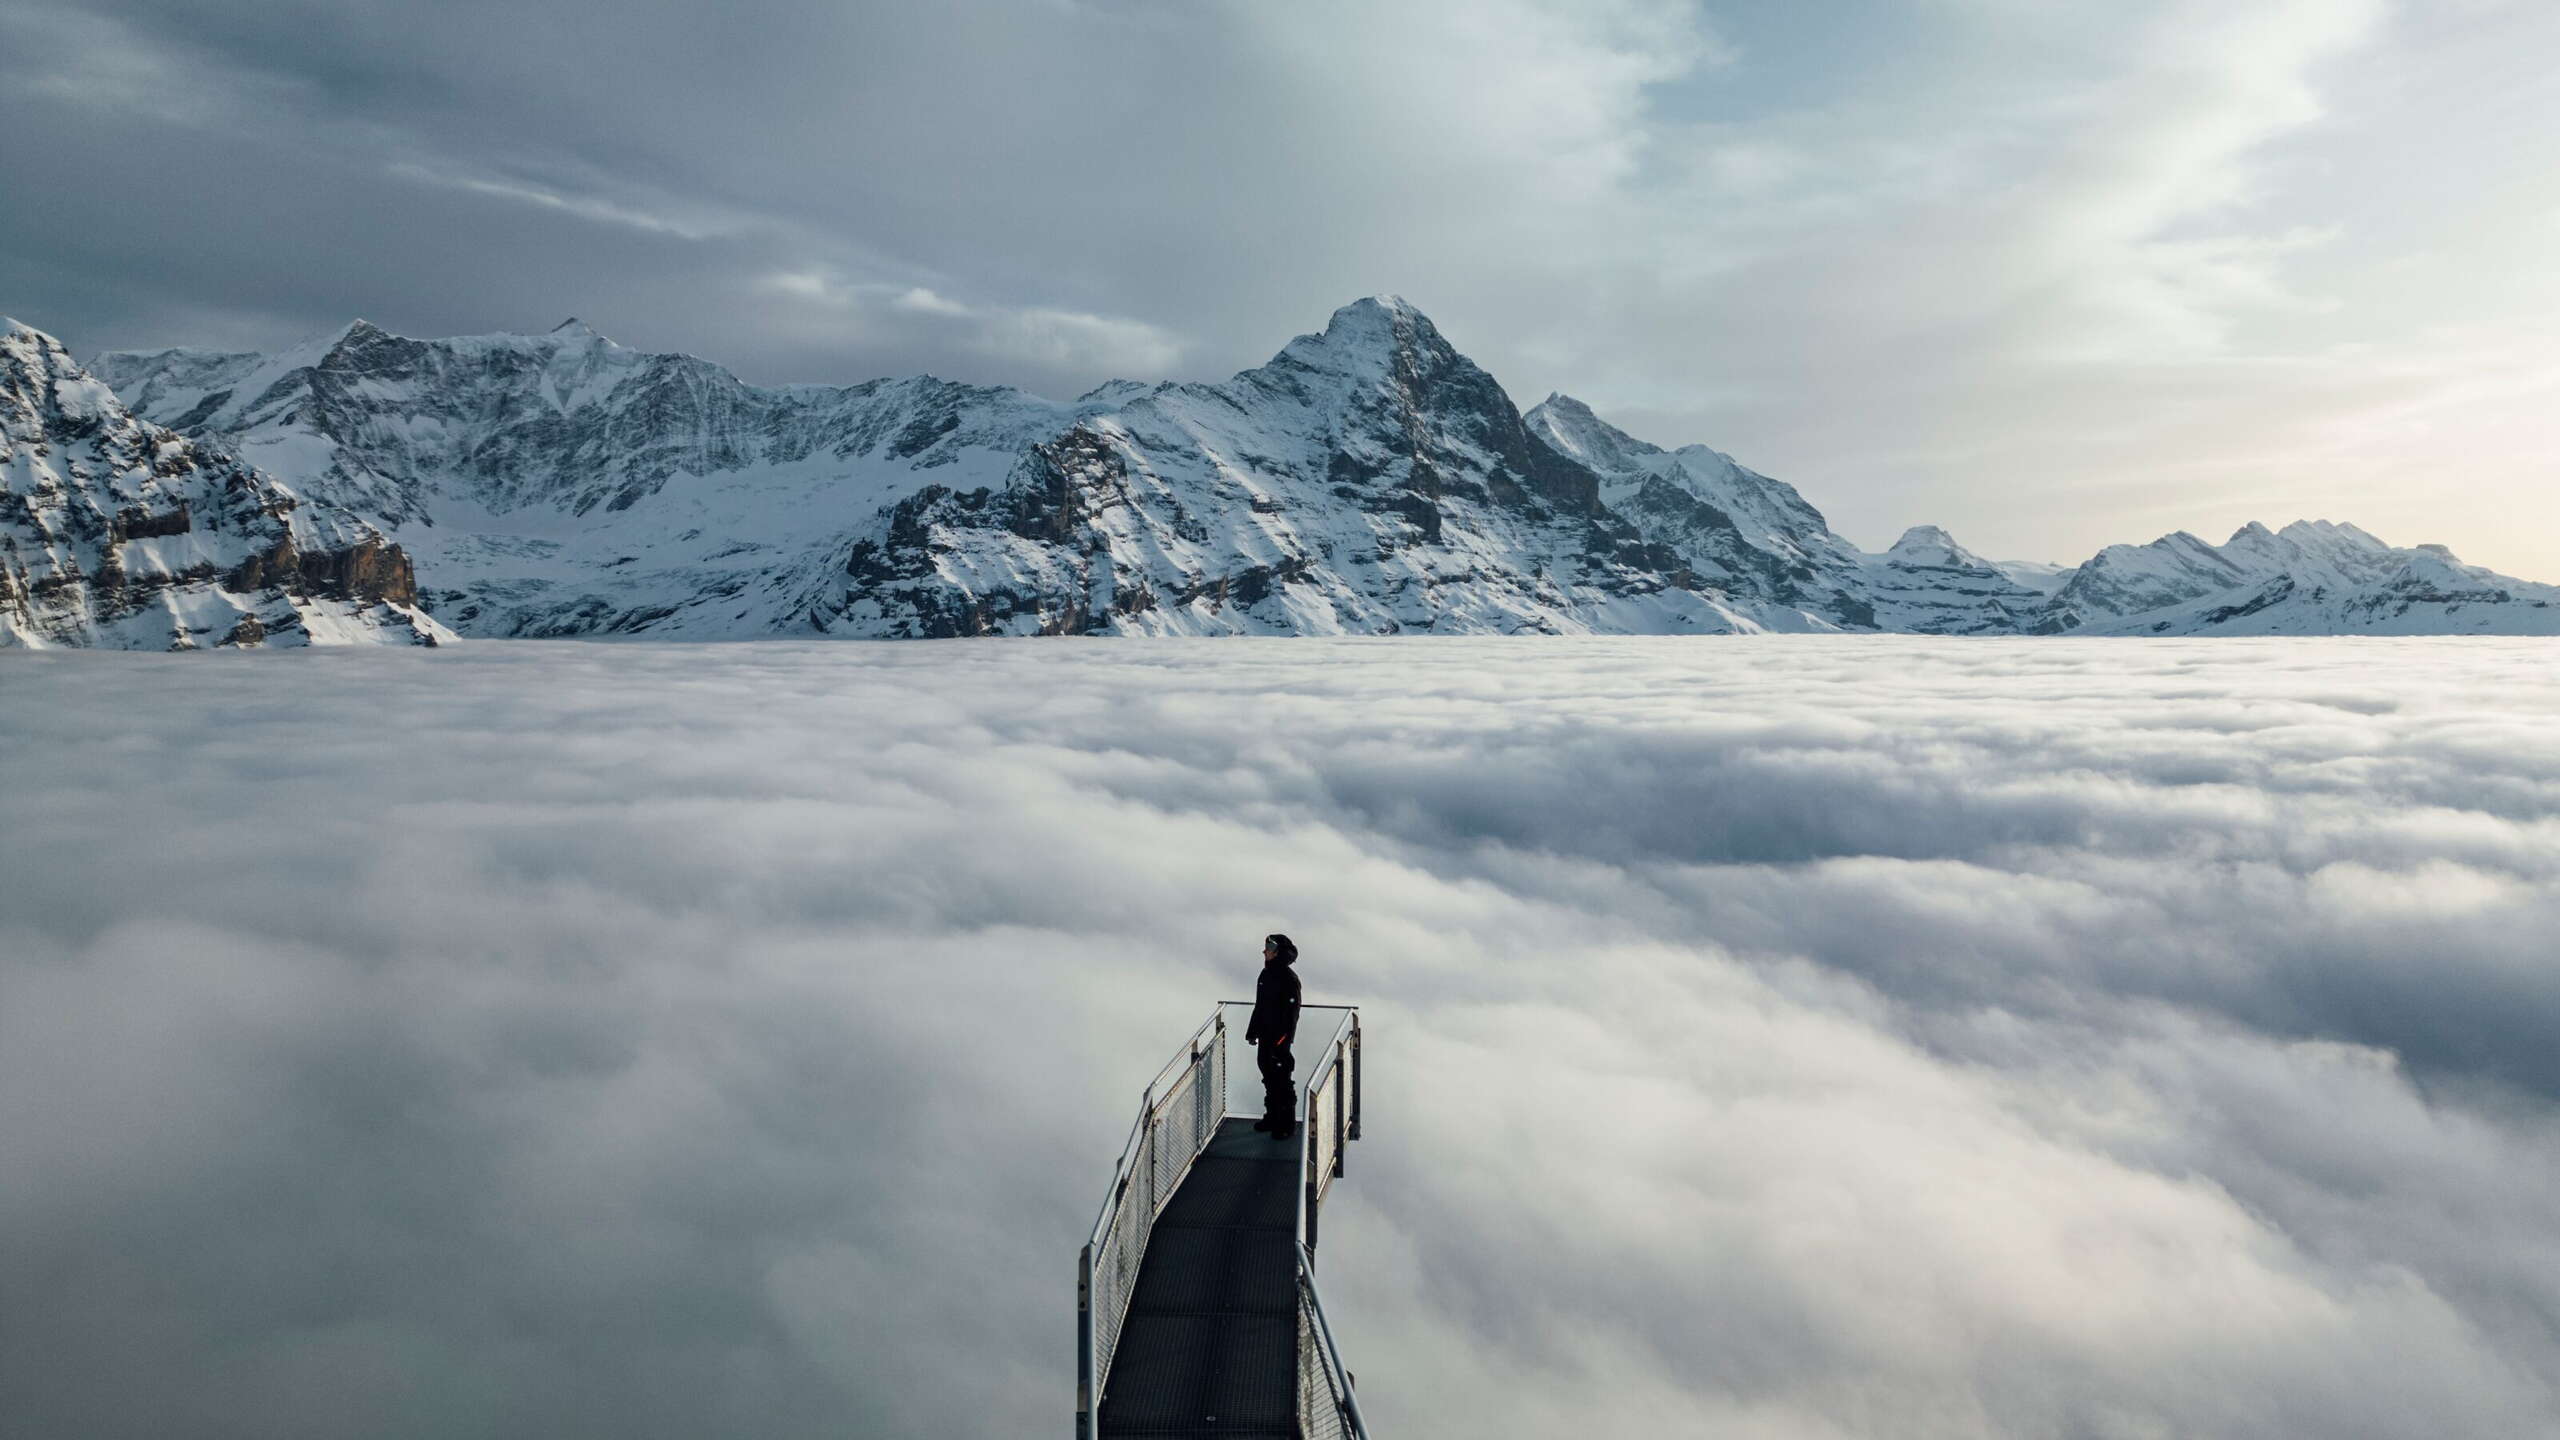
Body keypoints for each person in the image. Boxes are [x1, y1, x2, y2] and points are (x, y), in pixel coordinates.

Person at [1245, 933, 1302, 1139]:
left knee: (1282, 1080)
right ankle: (1272, 1117)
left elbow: (1292, 1013)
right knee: (1269, 1077)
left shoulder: (1289, 979)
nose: (1265, 951)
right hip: (1266, 1037)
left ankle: (1286, 1125)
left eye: (1269, 948)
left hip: (1279, 1039)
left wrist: (1283, 1039)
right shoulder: (1266, 975)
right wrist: (1253, 1031)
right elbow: (1260, 1006)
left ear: (1279, 953)